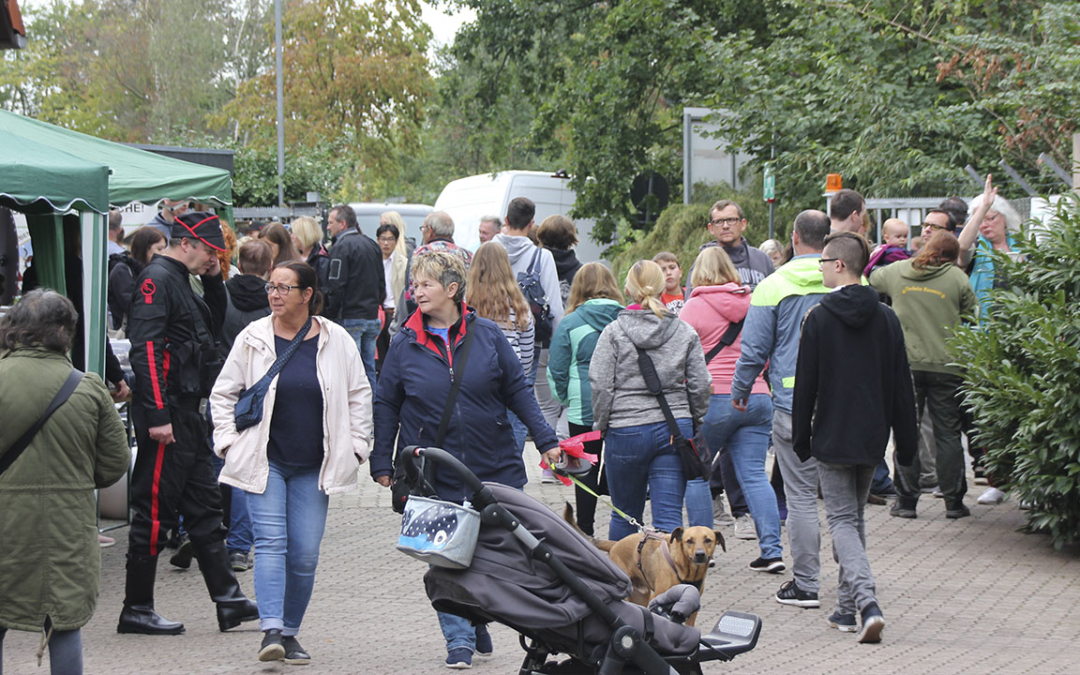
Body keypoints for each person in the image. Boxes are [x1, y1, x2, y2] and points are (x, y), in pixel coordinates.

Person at [370, 251, 559, 669]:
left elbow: (519, 392)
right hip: (433, 472)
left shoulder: (488, 335)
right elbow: (386, 404)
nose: (415, 291)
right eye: (414, 285)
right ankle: (458, 639)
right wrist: (382, 461)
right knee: (444, 556)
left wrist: (546, 441)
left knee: (493, 554)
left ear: (452, 290)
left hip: (492, 464)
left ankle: (476, 618)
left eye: (425, 285)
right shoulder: (404, 343)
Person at [210, 260, 372, 665]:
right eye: (271, 287)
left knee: (304, 555)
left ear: (307, 295)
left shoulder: (337, 340)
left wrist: (356, 447)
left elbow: (359, 395)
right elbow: (223, 394)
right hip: (265, 462)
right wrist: (229, 444)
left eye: (284, 288)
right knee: (270, 544)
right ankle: (270, 629)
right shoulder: (253, 337)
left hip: (314, 466)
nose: (275, 295)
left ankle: (290, 631)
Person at [118, 211, 258, 637]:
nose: (213, 257)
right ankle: (136, 608)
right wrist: (158, 416)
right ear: (187, 243)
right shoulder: (156, 280)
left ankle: (229, 601)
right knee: (153, 511)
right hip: (169, 414)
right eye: (209, 250)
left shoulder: (178, 278)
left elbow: (212, 324)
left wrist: (214, 279)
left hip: (187, 414)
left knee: (203, 507)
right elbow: (146, 349)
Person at [793, 232, 917, 643]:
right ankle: (847, 610)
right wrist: (907, 442)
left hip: (831, 433)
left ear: (840, 265)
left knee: (843, 521)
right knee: (855, 519)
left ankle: (866, 602)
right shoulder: (887, 317)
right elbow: (902, 385)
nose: (821, 268)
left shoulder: (819, 317)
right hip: (870, 437)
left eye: (823, 262)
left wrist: (800, 437)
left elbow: (805, 386)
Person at [0, 290, 131, 675]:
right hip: (67, 525)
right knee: (63, 622)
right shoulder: (88, 388)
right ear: (66, 332)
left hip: (4, 520)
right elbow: (114, 466)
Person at [731, 209, 830, 610]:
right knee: (843, 504)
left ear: (794, 237)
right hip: (842, 405)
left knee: (803, 497)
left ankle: (806, 583)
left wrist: (740, 390)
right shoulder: (845, 280)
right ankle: (857, 577)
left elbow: (753, 350)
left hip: (792, 406)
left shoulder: (774, 284)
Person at [590, 260, 711, 541]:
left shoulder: (613, 332)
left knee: (625, 513)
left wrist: (603, 424)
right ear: (661, 287)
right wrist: (694, 417)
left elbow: (600, 385)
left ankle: (624, 581)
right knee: (669, 519)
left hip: (626, 428)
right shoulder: (684, 331)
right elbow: (701, 384)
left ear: (628, 289)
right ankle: (671, 583)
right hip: (674, 429)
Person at [681, 247, 782, 570]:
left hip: (714, 399)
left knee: (697, 475)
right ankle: (773, 552)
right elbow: (766, 352)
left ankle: (702, 553)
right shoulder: (756, 303)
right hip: (757, 396)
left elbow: (680, 357)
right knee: (754, 475)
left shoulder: (693, 308)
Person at [869, 231, 978, 519]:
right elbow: (972, 316)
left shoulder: (900, 271)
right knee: (948, 434)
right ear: (954, 257)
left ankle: (906, 501)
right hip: (947, 366)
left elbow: (870, 279)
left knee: (907, 433)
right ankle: (954, 502)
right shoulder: (957, 279)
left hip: (906, 366)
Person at [546, 263, 624, 535]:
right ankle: (623, 528)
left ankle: (586, 529)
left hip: (583, 407)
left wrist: (565, 398)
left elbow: (556, 369)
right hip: (623, 405)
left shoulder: (570, 323)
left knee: (585, 469)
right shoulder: (625, 319)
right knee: (616, 463)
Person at [466, 242, 536, 451]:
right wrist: (519, 375)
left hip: (474, 375)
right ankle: (512, 474)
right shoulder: (519, 305)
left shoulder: (466, 302)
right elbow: (527, 349)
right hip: (510, 373)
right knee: (515, 425)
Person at [324, 204, 384, 392]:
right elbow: (382, 283)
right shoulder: (371, 244)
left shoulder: (340, 247)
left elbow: (335, 286)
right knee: (368, 371)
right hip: (370, 316)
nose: (327, 227)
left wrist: (329, 314)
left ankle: (355, 416)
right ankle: (373, 413)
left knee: (350, 373)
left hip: (350, 317)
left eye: (330, 222)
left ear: (342, 224)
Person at [687, 200, 775, 293]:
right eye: (719, 221)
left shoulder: (762, 259)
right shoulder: (704, 264)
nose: (725, 226)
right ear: (711, 228)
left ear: (743, 224)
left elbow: (776, 296)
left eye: (731, 220)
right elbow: (691, 302)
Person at [108, 226, 167, 336]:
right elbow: (134, 306)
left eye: (164, 248)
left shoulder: (152, 270)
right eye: (159, 249)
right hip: (129, 334)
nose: (163, 253)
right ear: (145, 248)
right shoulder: (122, 271)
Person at [375, 215, 409, 374]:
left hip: (394, 313)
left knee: (394, 356)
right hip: (377, 313)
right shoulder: (373, 261)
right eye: (383, 239)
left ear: (396, 241)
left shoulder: (403, 263)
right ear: (377, 240)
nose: (386, 243)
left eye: (390, 239)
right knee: (378, 358)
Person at [289, 216, 330, 292]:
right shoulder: (292, 256)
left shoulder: (322, 260)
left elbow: (323, 290)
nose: (292, 237)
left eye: (294, 233)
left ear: (303, 235)